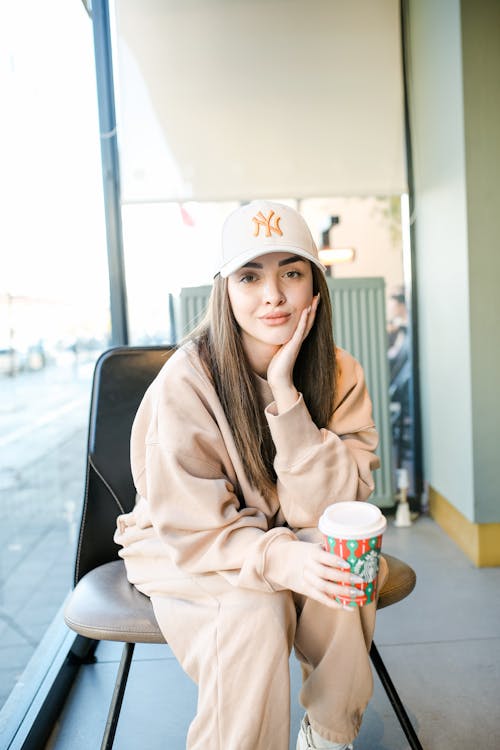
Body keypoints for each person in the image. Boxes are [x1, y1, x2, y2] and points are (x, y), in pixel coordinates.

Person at [114, 200, 387, 750]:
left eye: (292, 271)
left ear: (315, 285)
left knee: (343, 568)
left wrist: (287, 395)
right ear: (226, 289)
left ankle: (330, 735)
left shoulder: (340, 372)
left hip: (277, 534)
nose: (274, 295)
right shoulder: (186, 381)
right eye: (250, 275)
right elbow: (190, 525)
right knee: (255, 608)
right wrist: (277, 557)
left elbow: (330, 514)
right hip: (181, 543)